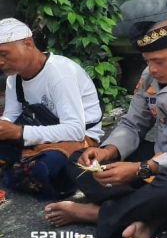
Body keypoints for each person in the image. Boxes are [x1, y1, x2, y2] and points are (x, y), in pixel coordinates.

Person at [45, 20, 167, 238]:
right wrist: (108, 151)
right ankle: (147, 212)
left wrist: (141, 169)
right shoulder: (150, 76)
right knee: (80, 161)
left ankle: (99, 213)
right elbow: (133, 124)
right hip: (160, 156)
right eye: (147, 61)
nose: (152, 68)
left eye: (159, 61)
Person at [0, 19, 103, 199]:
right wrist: (4, 127)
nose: (0, 62)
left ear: (28, 43)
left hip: (78, 139)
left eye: (4, 54)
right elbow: (11, 116)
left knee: (46, 167)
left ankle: (20, 168)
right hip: (38, 133)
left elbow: (75, 130)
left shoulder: (61, 74)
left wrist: (19, 132)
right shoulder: (14, 78)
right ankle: (20, 167)